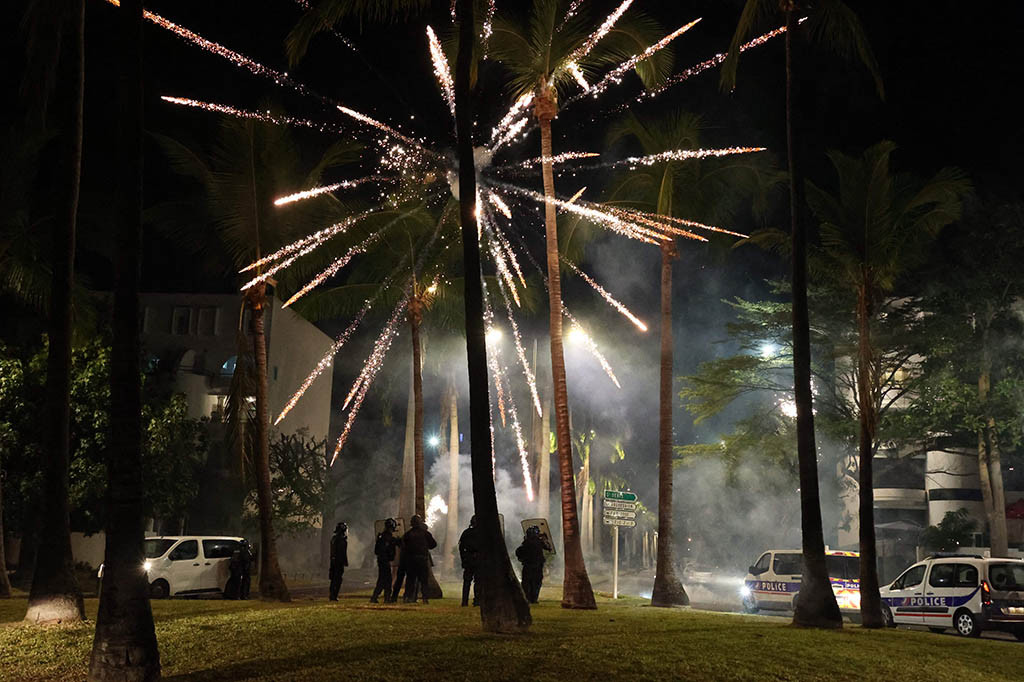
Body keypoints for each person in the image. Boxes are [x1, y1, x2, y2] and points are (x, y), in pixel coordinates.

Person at [401, 514, 437, 604]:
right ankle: (425, 598)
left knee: (411, 579)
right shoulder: (425, 533)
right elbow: (433, 544)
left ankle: (409, 597)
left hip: (411, 560)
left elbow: (403, 546)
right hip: (422, 560)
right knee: (423, 580)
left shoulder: (408, 534)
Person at [371, 518, 399, 603]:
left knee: (385, 579)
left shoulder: (381, 537)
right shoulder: (390, 538)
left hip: (381, 561)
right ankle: (378, 597)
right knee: (384, 580)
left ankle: (383, 598)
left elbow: (376, 551)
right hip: (385, 561)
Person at [516, 525, 546, 603]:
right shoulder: (538, 542)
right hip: (536, 566)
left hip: (528, 565)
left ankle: (528, 598)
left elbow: (519, 552)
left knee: (527, 582)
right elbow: (548, 548)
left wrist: (521, 559)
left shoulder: (526, 542)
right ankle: (533, 599)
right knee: (535, 582)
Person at [458, 516, 480, 607]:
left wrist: (463, 559)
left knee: (467, 581)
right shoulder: (482, 533)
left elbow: (461, 548)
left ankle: (464, 601)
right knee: (478, 581)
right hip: (478, 559)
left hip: (469, 559)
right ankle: (477, 601)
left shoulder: (466, 533)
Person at [329, 522, 348, 601]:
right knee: (337, 579)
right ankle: (334, 595)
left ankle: (332, 595)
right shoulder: (341, 540)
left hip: (334, 561)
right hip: (338, 562)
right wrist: (344, 561)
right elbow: (342, 552)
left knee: (334, 579)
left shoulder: (334, 538)